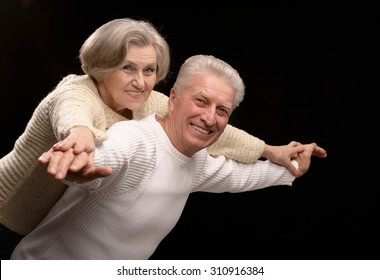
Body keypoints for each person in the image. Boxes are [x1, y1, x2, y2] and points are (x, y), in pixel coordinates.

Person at [0, 18, 314, 260]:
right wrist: (81, 146)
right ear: (103, 66)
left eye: (149, 69)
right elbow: (76, 120)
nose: (141, 81)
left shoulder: (145, 102)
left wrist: (273, 153)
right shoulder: (77, 91)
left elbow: (215, 129)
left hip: (41, 216)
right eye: (127, 68)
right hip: (7, 206)